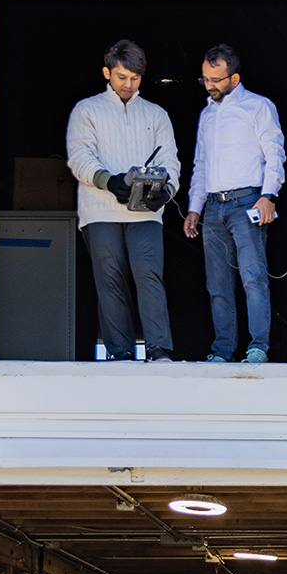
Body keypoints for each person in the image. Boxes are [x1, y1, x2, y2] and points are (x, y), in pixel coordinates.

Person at [65, 39, 180, 361]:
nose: (128, 85)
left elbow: (171, 161)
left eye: (135, 78)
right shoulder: (87, 110)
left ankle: (159, 349)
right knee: (110, 277)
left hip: (145, 212)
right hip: (99, 209)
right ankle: (120, 352)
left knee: (148, 273)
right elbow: (79, 156)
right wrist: (108, 180)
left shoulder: (156, 114)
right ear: (107, 73)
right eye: (121, 77)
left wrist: (165, 191)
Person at [183, 43, 286, 364]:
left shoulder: (258, 107)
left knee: (253, 278)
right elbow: (200, 164)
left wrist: (268, 196)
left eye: (216, 79)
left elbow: (275, 153)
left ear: (235, 78)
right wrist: (194, 207)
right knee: (217, 285)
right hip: (213, 207)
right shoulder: (206, 115)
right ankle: (223, 351)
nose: (209, 85)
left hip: (248, 202)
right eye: (205, 79)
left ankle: (257, 348)